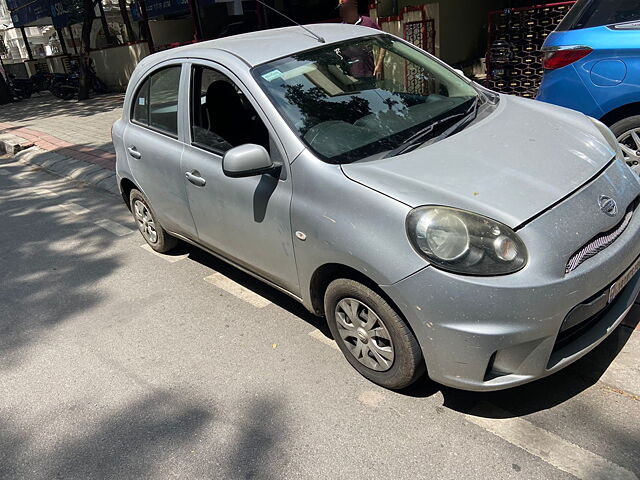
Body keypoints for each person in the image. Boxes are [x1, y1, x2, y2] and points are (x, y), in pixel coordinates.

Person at [338, 0, 386, 82]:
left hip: (368, 73)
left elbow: (384, 42)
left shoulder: (368, 23)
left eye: (344, 9)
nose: (341, 12)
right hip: (348, 78)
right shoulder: (341, 28)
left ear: (353, 8)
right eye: (341, 10)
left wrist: (379, 65)